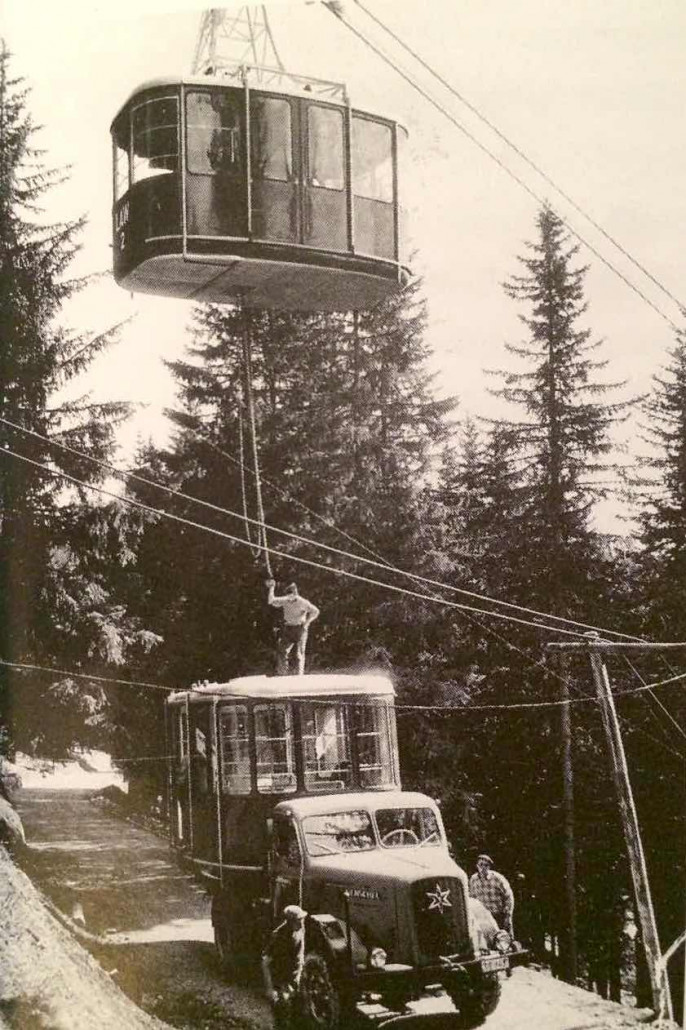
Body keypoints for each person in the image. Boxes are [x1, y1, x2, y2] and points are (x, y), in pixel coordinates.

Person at [261, 904, 308, 1028]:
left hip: (294, 981)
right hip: (281, 983)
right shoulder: (279, 936)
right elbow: (265, 962)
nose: (302, 922)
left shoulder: (300, 929)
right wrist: (270, 989)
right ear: (290, 922)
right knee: (283, 1021)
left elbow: (300, 954)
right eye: (299, 920)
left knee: (299, 1019)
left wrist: (300, 976)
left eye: (303, 919)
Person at [266, 579, 319, 675]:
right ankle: (282, 674)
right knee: (282, 651)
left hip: (300, 629)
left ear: (295, 594)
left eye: (291, 596)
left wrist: (307, 623)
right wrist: (271, 588)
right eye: (288, 596)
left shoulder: (302, 602)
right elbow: (271, 601)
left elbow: (315, 611)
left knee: (299, 654)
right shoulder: (285, 600)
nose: (289, 599)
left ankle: (299, 676)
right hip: (288, 628)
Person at [469, 853, 515, 934]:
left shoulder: (497, 878)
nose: (483, 867)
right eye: (481, 865)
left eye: (486, 865)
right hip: (482, 919)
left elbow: (509, 897)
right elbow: (471, 898)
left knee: (503, 942)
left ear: (489, 867)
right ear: (477, 866)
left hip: (498, 916)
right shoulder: (473, 879)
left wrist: (508, 915)